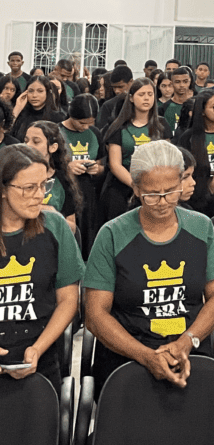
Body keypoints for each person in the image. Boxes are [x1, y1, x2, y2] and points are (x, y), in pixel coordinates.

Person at [84, 140, 214, 393]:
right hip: (127, 356)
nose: (162, 202)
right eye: (152, 194)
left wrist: (187, 341)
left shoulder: (201, 227)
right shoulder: (112, 234)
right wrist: (145, 356)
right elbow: (95, 315)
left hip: (190, 352)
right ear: (136, 188)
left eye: (171, 191)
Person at [0, 144, 84, 391]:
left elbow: (68, 300)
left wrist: (38, 349)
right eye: (29, 188)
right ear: (3, 189)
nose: (40, 195)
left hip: (41, 357)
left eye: (44, 185)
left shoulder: (55, 226)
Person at [102, 78, 172, 222]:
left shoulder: (162, 124)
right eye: (141, 94)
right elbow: (115, 165)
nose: (146, 98)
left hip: (154, 185)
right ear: (131, 98)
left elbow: (167, 158)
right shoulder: (119, 127)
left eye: (150, 94)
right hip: (123, 186)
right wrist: (136, 186)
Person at [59, 94, 105, 255]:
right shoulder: (57, 131)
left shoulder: (95, 133)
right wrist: (67, 167)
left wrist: (97, 169)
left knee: (86, 238)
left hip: (86, 191)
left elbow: (102, 163)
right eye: (82, 123)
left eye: (90, 123)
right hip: (64, 190)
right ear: (71, 115)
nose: (86, 127)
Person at [23, 121, 81, 231]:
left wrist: (54, 216)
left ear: (53, 147)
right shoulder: (15, 176)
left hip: (52, 237)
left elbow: (72, 228)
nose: (28, 146)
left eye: (36, 141)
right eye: (26, 141)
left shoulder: (63, 179)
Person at [10, 76, 66, 143]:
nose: (34, 95)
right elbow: (5, 136)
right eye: (31, 91)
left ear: (47, 93)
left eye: (40, 91)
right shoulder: (20, 114)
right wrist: (17, 108)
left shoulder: (58, 117)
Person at [96, 66, 134, 130]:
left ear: (131, 82)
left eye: (120, 87)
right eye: (114, 87)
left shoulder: (140, 102)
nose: (117, 91)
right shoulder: (108, 106)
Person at [159, 67, 194, 131]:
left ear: (190, 82)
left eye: (185, 81)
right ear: (172, 83)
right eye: (177, 82)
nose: (182, 85)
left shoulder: (196, 105)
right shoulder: (163, 108)